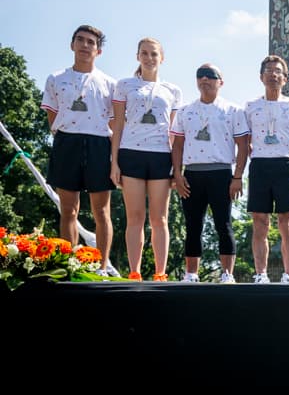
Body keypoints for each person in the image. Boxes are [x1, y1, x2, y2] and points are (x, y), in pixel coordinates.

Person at [41, 24, 117, 275]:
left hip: (98, 144)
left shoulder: (109, 84)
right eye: (80, 40)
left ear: (99, 51)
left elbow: (116, 122)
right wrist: (66, 134)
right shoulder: (55, 78)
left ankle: (103, 267)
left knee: (101, 210)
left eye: (91, 42)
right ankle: (68, 265)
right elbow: (51, 114)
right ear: (72, 45)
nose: (85, 45)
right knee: (68, 209)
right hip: (67, 142)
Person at [111, 37, 183, 281]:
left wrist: (177, 168)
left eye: (154, 54)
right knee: (135, 217)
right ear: (137, 56)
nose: (149, 58)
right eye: (144, 53)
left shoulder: (173, 90)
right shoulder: (124, 85)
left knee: (159, 218)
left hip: (161, 156)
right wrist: (114, 162)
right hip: (131, 154)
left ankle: (160, 273)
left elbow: (174, 132)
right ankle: (134, 272)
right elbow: (118, 125)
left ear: (162, 58)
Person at [169, 64, 249, 284]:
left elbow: (243, 145)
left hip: (221, 172)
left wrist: (238, 177)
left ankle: (227, 274)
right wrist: (177, 174)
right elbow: (177, 145)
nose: (205, 79)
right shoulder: (185, 111)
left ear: (220, 82)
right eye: (200, 75)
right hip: (192, 173)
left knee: (223, 224)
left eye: (211, 76)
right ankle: (191, 273)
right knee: (193, 224)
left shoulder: (234, 110)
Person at [245, 55, 289, 284]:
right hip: (260, 165)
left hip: (285, 164)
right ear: (261, 77)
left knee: (286, 221)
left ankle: (288, 274)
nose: (273, 75)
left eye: (278, 71)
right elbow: (245, 140)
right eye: (269, 71)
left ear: (285, 78)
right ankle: (260, 274)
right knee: (260, 221)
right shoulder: (251, 106)